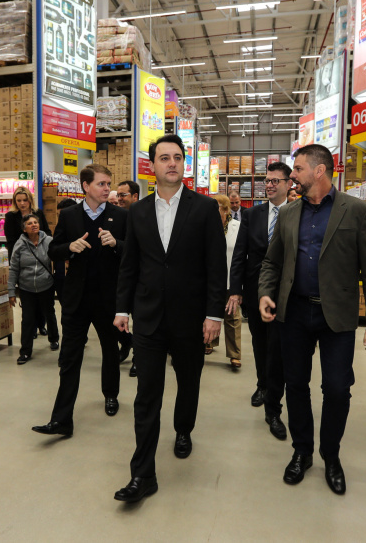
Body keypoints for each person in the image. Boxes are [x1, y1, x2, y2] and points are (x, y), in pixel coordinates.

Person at [258, 144, 366, 494]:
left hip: (337, 316)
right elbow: (272, 262)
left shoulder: (357, 211)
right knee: (296, 384)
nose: (292, 175)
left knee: (336, 388)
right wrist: (266, 293)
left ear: (318, 171)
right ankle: (302, 451)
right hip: (294, 312)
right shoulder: (288, 214)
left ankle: (331, 455)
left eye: (297, 169)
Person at [112, 134, 226, 503]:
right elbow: (130, 265)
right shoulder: (139, 212)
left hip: (191, 318)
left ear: (183, 164)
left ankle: (183, 428)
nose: (172, 163)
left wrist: (213, 315)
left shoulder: (205, 209)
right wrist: (121, 308)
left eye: (178, 157)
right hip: (148, 317)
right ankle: (143, 474)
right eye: (164, 158)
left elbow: (215, 266)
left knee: (188, 380)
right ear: (153, 166)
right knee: (147, 395)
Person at [31, 164, 127, 437]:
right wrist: (69, 249)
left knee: (110, 350)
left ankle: (110, 394)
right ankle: (62, 420)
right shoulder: (70, 215)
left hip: (108, 299)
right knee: (69, 358)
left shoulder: (120, 216)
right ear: (86, 186)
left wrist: (117, 244)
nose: (108, 189)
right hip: (76, 300)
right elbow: (53, 249)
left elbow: (134, 251)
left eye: (109, 184)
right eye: (102, 184)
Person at [228, 162, 291, 441]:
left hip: (286, 293)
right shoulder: (252, 215)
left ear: (289, 184)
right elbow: (239, 254)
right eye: (267, 180)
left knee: (280, 345)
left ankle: (274, 397)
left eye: (276, 181)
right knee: (259, 341)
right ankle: (262, 385)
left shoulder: (297, 213)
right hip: (254, 291)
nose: (270, 185)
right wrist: (235, 289)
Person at [7, 215, 60, 364]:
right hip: (26, 288)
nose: (34, 225)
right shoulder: (19, 245)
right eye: (30, 223)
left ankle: (54, 338)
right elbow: (13, 269)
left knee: (49, 313)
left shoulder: (48, 241)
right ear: (24, 228)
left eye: (36, 222)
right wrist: (11, 292)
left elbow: (58, 259)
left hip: (46, 285)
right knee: (28, 320)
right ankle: (25, 352)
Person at [5, 186, 51, 338]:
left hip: (40, 256)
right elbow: (10, 240)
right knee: (28, 297)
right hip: (23, 259)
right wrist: (15, 259)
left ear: (30, 200)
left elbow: (47, 233)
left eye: (25, 200)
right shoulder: (11, 217)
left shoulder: (38, 214)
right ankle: (31, 328)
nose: (22, 203)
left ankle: (41, 325)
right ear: (15, 201)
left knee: (43, 296)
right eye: (19, 201)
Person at [206, 195, 242, 369]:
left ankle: (234, 355)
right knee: (210, 312)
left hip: (230, 279)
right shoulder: (207, 227)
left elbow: (242, 256)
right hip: (210, 279)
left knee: (232, 317)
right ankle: (209, 343)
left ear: (226, 209)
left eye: (217, 208)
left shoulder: (237, 227)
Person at [115, 180, 141, 377]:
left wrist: (116, 243)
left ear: (135, 196)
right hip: (118, 277)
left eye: (123, 195)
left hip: (140, 279)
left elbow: (137, 251)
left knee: (140, 321)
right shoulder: (116, 216)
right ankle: (126, 342)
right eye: (118, 194)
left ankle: (138, 360)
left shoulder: (143, 217)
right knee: (115, 317)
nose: (119, 198)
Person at [52, 198, 79, 302]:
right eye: (59, 216)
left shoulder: (82, 230)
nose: (60, 219)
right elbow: (53, 251)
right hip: (61, 277)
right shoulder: (59, 231)